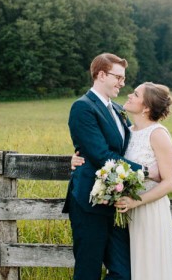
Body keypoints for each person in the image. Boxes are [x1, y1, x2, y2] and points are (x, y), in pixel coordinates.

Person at [62, 53, 159, 280]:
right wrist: (145, 172)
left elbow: (126, 147)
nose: (122, 83)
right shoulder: (82, 107)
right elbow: (101, 154)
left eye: (123, 78)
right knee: (88, 270)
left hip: (115, 201)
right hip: (88, 201)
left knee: (124, 272)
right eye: (118, 77)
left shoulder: (117, 109)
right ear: (101, 74)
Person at [71, 82, 172, 280]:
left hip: (148, 209)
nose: (129, 95)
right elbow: (104, 152)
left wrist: (136, 201)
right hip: (125, 213)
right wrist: (77, 157)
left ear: (146, 107)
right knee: (129, 269)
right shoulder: (128, 130)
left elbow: (170, 182)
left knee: (148, 266)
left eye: (136, 94)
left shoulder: (158, 134)